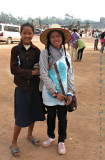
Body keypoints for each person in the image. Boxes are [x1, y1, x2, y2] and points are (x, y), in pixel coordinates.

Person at [39, 24, 76, 155]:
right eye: (52, 37)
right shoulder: (45, 54)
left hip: (64, 93)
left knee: (63, 117)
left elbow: (70, 74)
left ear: (62, 38)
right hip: (50, 93)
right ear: (49, 39)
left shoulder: (66, 55)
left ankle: (61, 141)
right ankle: (50, 135)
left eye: (58, 36)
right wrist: (55, 93)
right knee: (50, 116)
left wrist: (70, 92)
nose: (55, 39)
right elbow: (43, 74)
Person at [10, 22, 45, 157]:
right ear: (20, 34)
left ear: (33, 34)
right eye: (24, 33)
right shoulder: (15, 50)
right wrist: (32, 73)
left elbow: (39, 67)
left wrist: (38, 71)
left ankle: (30, 135)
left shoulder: (37, 50)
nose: (27, 35)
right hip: (22, 88)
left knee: (33, 113)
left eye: (30, 33)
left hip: (34, 88)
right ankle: (14, 142)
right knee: (20, 116)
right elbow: (14, 69)